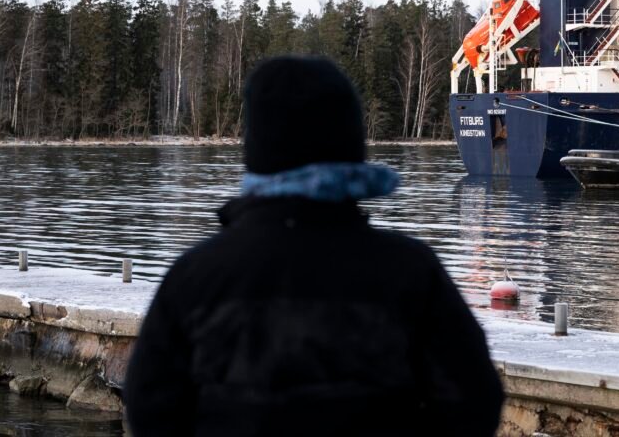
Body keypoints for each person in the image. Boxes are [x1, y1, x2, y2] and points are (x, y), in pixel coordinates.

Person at [124, 56, 504, 436]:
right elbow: (474, 396)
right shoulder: (411, 271)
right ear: (352, 143)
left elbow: (149, 405)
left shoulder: (195, 276)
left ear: (256, 146)